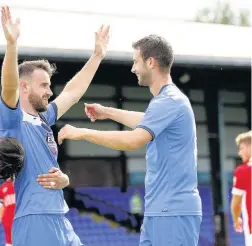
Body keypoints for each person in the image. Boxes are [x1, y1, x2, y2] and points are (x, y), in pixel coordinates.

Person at [58, 34, 202, 246]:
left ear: (150, 62)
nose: (133, 68)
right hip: (159, 210)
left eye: (136, 61)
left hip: (173, 210)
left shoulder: (169, 101)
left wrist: (82, 133)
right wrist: (106, 111)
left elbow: (134, 140)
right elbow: (146, 121)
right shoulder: (166, 103)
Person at [0, 6, 110, 246]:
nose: (50, 91)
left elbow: (72, 92)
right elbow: (8, 87)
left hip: (58, 215)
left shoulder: (44, 119)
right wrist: (11, 45)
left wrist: (97, 56)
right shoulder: (12, 122)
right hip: (34, 218)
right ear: (24, 87)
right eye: (44, 85)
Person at [231, 131, 252, 246]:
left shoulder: (243, 171)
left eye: (242, 148)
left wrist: (236, 219)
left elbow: (236, 203)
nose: (240, 153)